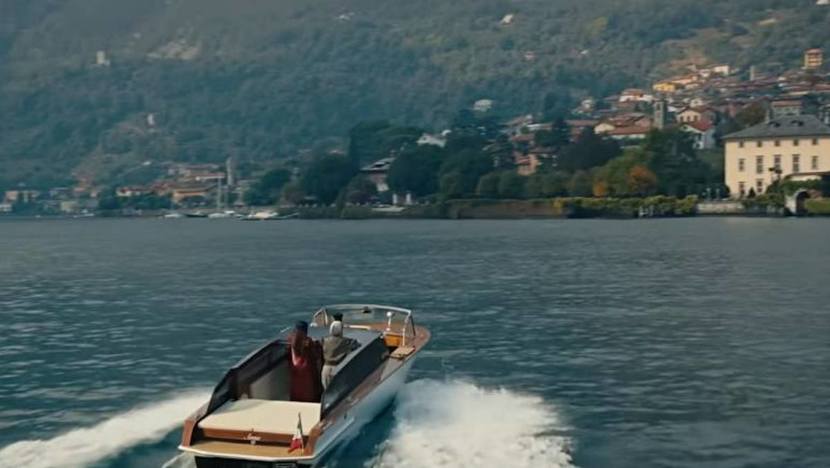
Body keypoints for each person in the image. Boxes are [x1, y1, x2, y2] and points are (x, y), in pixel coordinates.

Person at [287, 321, 323, 402]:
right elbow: (315, 353)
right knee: (308, 389)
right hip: (306, 370)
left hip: (295, 370)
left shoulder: (290, 339)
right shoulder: (308, 341)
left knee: (296, 388)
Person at [321, 321, 360, 390]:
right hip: (339, 368)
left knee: (327, 391)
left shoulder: (324, 340)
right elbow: (357, 345)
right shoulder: (346, 341)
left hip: (326, 369)